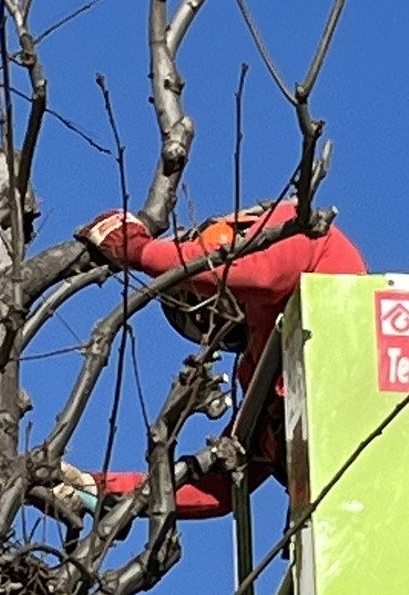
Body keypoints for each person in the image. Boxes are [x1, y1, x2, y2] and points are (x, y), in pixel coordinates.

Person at [70, 200, 366, 519]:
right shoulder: (263, 373)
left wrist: (141, 251)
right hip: (344, 509)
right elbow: (218, 486)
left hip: (374, 435)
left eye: (199, 299)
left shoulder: (300, 226)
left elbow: (259, 273)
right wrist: (96, 487)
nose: (211, 316)